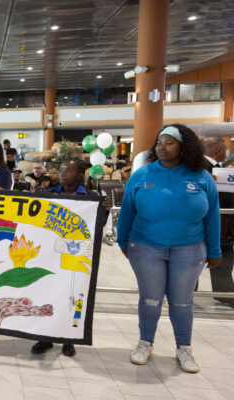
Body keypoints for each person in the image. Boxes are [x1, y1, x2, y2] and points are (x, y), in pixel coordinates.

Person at [117, 124, 221, 373]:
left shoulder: (201, 177)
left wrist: (215, 250)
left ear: (184, 147)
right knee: (150, 300)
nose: (162, 147)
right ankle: (145, 343)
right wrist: (122, 241)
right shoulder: (142, 175)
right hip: (146, 247)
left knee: (182, 302)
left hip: (189, 249)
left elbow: (213, 215)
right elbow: (127, 211)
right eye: (159, 142)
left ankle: (184, 348)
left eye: (169, 142)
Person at [32, 158, 112, 357]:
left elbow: (97, 225)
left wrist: (106, 209)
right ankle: (46, 336)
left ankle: (69, 337)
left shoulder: (90, 197)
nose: (62, 173)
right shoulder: (51, 193)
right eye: (61, 169)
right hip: (51, 254)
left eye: (68, 170)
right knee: (50, 292)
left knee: (73, 296)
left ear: (79, 175)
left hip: (76, 255)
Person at [203, 137, 234, 307]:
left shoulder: (217, 168)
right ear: (218, 150)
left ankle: (223, 293)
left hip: (221, 222)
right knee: (224, 258)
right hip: (218, 223)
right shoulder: (205, 169)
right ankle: (225, 294)